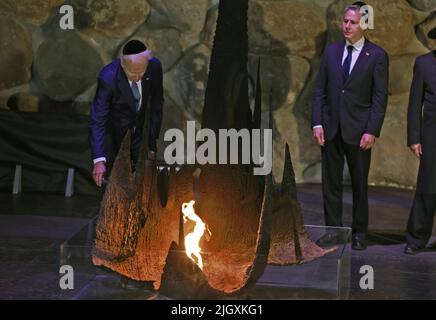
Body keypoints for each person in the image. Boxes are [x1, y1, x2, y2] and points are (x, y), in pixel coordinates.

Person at [311, 3, 389, 250]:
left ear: (363, 25)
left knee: (358, 185)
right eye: (345, 21)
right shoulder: (332, 52)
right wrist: (317, 122)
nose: (346, 26)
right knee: (330, 183)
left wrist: (372, 130)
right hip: (331, 127)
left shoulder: (376, 55)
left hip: (359, 131)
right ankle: (333, 231)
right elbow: (320, 90)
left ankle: (359, 233)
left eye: (352, 22)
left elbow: (379, 97)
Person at [89, 40, 164, 187]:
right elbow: (98, 119)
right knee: (114, 188)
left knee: (142, 185)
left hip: (139, 134)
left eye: (142, 71)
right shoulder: (108, 77)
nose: (138, 77)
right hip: (113, 136)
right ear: (123, 65)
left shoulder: (155, 67)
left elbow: (157, 104)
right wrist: (99, 160)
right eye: (133, 73)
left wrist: (152, 140)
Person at [404, 27, 436, 255]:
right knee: (428, 187)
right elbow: (415, 104)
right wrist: (414, 138)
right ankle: (416, 238)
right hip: (432, 135)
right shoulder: (425, 63)